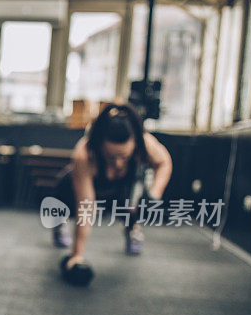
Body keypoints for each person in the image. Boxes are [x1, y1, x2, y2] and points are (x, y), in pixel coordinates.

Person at [52, 103, 172, 268]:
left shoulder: (145, 144)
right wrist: (77, 255)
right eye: (111, 156)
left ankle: (132, 230)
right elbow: (85, 207)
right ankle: (60, 224)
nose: (117, 163)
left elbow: (164, 162)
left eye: (123, 156)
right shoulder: (85, 154)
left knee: (136, 203)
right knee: (62, 201)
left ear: (134, 143)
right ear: (101, 144)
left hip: (118, 188)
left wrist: (154, 195)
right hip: (74, 187)